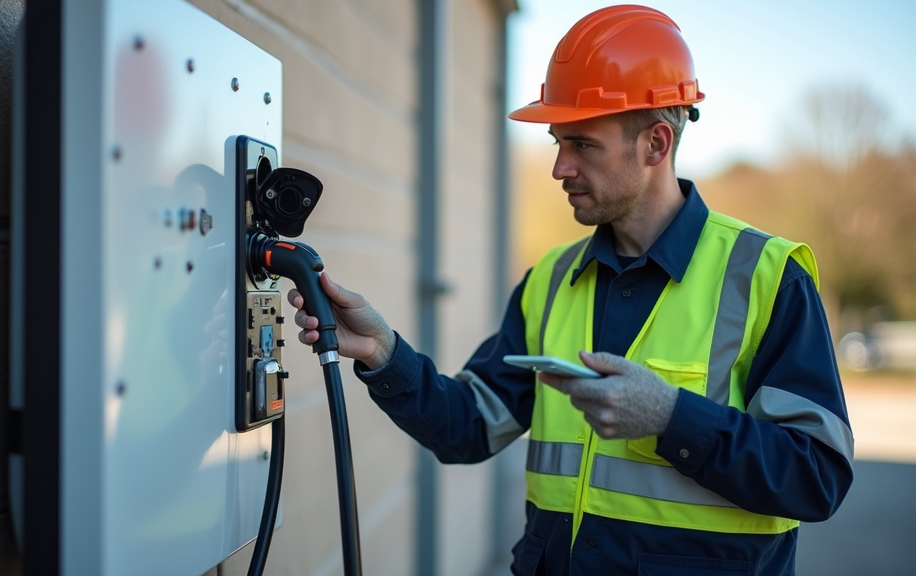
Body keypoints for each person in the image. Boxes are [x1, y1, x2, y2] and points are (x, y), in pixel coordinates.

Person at [288, 5, 853, 575]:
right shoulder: (551, 280)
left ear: (656, 144)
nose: (559, 167)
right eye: (559, 142)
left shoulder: (767, 276)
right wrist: (385, 354)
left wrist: (669, 417)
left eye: (583, 144)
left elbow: (816, 477)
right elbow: (468, 429)